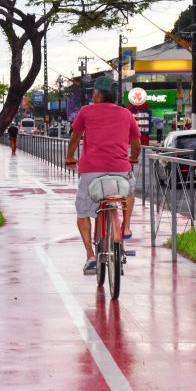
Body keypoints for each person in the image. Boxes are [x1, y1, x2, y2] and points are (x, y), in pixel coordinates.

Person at [65, 76, 141, 275]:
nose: (92, 96)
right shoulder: (126, 114)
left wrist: (70, 157)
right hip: (120, 170)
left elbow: (75, 137)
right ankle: (125, 227)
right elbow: (136, 143)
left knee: (82, 213)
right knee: (129, 191)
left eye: (93, 92)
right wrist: (133, 158)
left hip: (91, 171)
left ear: (98, 95)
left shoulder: (86, 111)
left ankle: (91, 256)